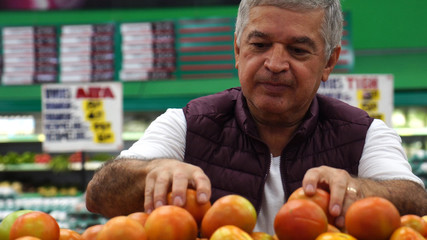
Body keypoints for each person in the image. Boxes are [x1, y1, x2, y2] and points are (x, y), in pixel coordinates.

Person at [85, 0, 427, 235]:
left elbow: (415, 200)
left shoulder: (366, 133)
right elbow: (100, 196)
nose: (275, 64)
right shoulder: (185, 124)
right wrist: (153, 170)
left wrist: (358, 189)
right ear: (237, 50)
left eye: (298, 50)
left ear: (328, 62)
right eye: (259, 45)